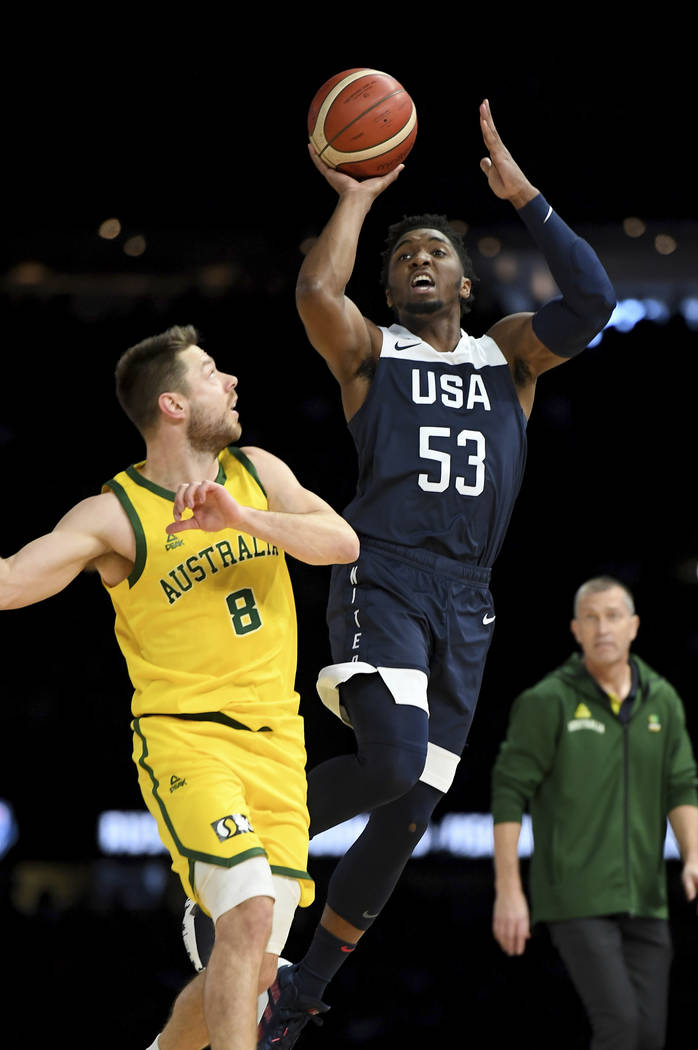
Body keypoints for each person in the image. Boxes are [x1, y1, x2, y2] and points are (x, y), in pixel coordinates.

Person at [250, 98, 617, 1047]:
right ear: (393, 283)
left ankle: (300, 991)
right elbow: (315, 299)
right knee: (391, 759)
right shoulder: (372, 353)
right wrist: (360, 199)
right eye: (403, 254)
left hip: (470, 601)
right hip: (389, 575)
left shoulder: (511, 356)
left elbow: (593, 304)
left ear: (464, 278)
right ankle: (246, 850)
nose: (419, 259)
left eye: (436, 251)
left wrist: (527, 196)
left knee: (406, 813)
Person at [0, 324, 359, 1050]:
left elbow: (342, 544)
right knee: (250, 913)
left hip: (278, 745)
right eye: (210, 372)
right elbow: (9, 583)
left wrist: (242, 517)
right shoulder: (115, 514)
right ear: (171, 404)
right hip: (187, 739)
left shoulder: (258, 471)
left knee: (254, 966)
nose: (230, 382)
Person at [491, 576, 698, 1049]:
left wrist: (693, 859)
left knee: (649, 1036)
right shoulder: (546, 701)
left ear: (633, 626)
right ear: (575, 629)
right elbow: (509, 794)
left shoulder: (663, 699)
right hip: (575, 896)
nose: (602, 627)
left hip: (647, 896)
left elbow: (682, 785)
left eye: (613, 616)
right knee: (620, 1026)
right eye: (590, 618)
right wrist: (508, 890)